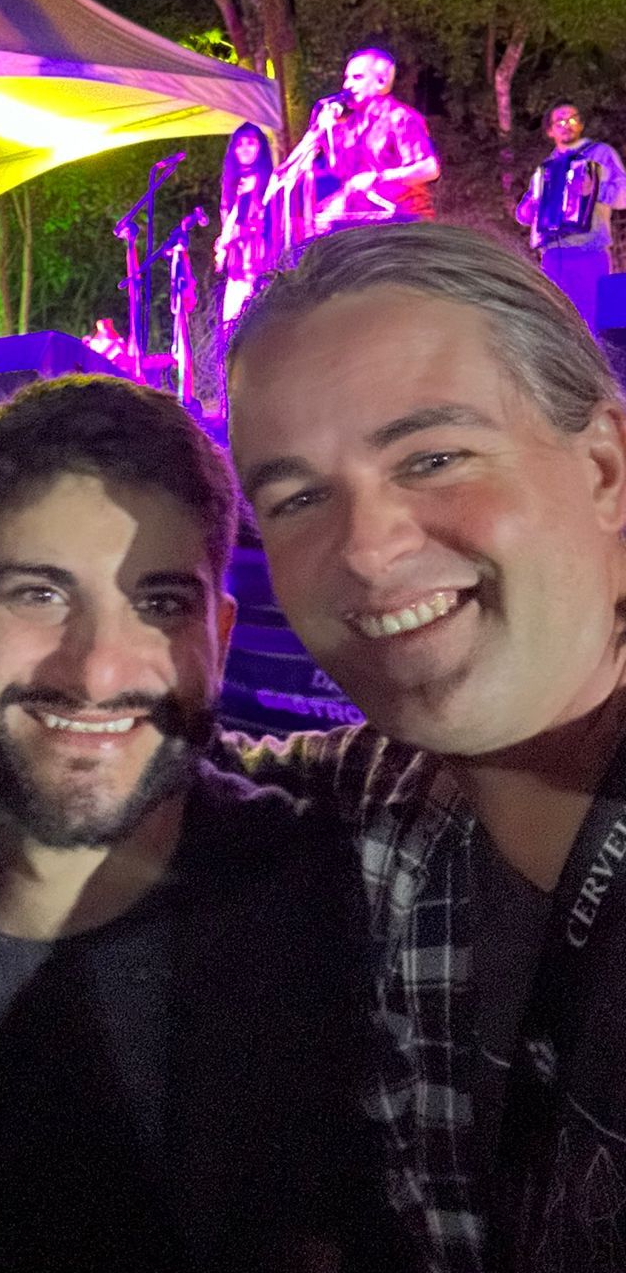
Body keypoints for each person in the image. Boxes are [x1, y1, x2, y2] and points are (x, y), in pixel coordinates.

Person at [0, 375, 405, 1273]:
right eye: (38, 594)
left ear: (219, 635)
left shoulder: (321, 900)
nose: (97, 672)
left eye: (161, 603)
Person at [224, 221, 626, 1273]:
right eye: (298, 498)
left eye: (434, 458)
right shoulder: (394, 802)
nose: (366, 549)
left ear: (604, 467)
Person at [514, 101, 626, 329]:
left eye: (572, 119)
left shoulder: (600, 154)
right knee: (558, 325)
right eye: (560, 121)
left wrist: (595, 190)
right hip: (552, 256)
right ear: (550, 130)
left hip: (589, 252)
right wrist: (530, 207)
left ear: (581, 124)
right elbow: (522, 215)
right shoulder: (545, 168)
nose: (567, 125)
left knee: (591, 324)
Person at [312, 46, 440, 224]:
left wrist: (379, 178)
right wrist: (326, 132)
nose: (347, 85)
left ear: (381, 81)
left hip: (406, 219)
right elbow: (339, 170)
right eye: (346, 78)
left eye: (357, 77)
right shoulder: (351, 125)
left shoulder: (400, 118)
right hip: (366, 219)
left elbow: (429, 169)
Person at [213, 122, 275, 324]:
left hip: (261, 256)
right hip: (237, 261)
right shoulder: (231, 183)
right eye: (239, 144)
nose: (245, 149)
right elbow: (227, 220)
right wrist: (223, 242)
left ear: (260, 147)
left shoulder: (269, 180)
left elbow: (270, 218)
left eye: (250, 143)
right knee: (232, 319)